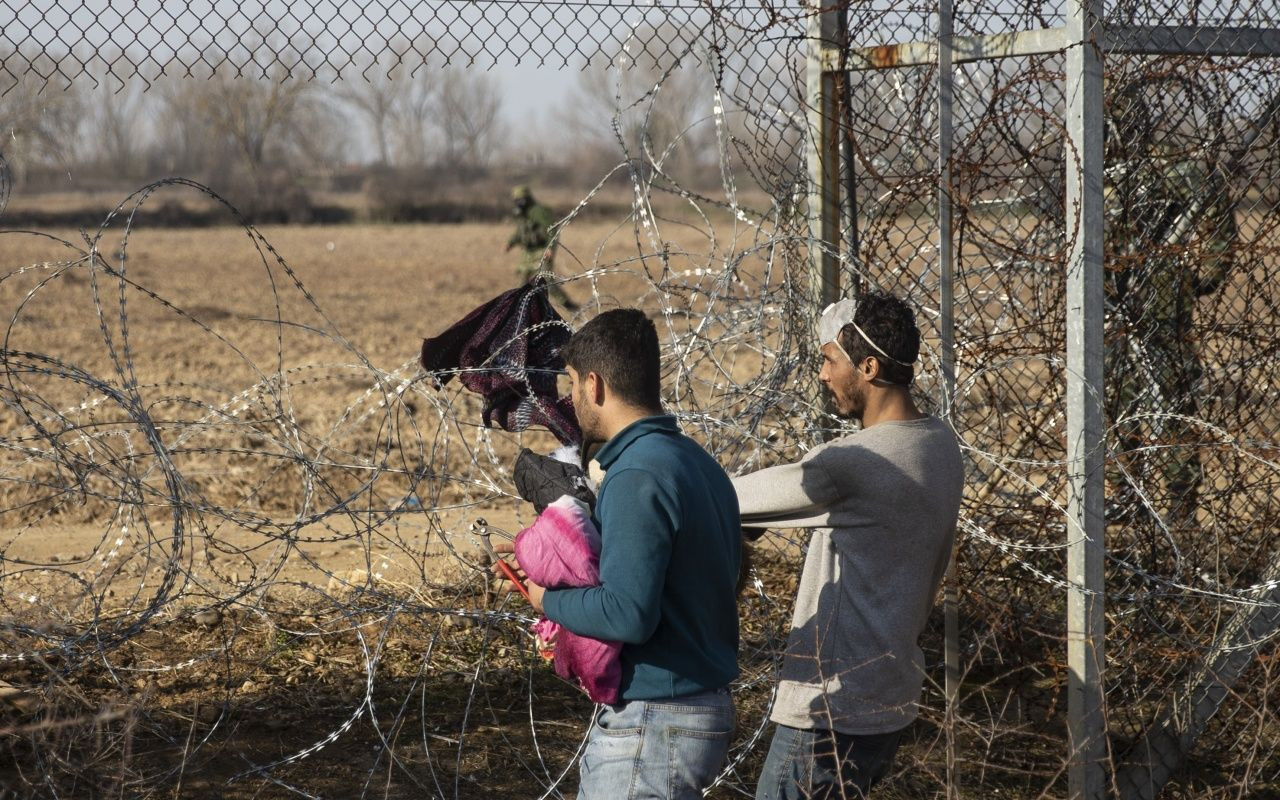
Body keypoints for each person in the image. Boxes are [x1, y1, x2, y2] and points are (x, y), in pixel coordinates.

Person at [498, 308, 742, 799]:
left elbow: (627, 613)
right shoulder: (696, 462)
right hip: (694, 706)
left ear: (595, 385)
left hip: (655, 720)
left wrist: (545, 598)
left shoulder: (637, 475)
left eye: (571, 383)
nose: (570, 398)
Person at [732, 291, 963, 799]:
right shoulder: (941, 445)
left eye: (828, 359)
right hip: (889, 699)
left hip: (829, 711)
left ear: (869, 365)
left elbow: (722, 500)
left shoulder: (854, 463)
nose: (822, 374)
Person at [1103, 73, 1238, 526]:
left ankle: (1180, 505)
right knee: (1116, 396)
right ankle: (1129, 494)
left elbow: (1214, 204)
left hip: (1160, 300)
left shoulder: (1169, 170)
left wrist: (1205, 276)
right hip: (1110, 301)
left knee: (1171, 398)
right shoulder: (1099, 176)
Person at [507, 184, 576, 309]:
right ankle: (520, 309)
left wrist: (550, 247)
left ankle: (569, 306)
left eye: (522, 199)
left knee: (547, 280)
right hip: (528, 252)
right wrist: (510, 242)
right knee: (523, 282)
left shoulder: (538, 211)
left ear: (528, 198)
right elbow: (520, 231)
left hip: (542, 250)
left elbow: (553, 229)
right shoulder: (521, 213)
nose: (519, 202)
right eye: (517, 200)